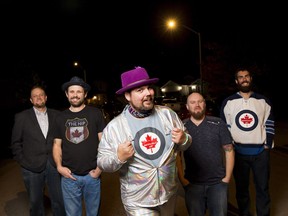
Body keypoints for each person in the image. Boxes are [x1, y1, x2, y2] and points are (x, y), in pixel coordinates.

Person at [97, 66, 192, 216]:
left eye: (149, 88)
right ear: (128, 96)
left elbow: (187, 142)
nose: (148, 93)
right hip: (138, 201)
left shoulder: (168, 115)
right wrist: (118, 157)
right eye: (140, 90)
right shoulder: (115, 127)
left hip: (168, 193)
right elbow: (102, 162)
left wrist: (184, 139)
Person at [220, 68, 275, 216]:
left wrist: (267, 145)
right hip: (238, 153)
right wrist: (229, 148)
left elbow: (269, 123)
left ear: (251, 79)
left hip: (260, 153)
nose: (244, 79)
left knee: (262, 188)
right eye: (240, 77)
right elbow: (224, 127)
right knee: (242, 189)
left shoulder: (263, 101)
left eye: (247, 76)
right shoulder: (228, 102)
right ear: (236, 81)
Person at [52, 76, 106, 216]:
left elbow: (105, 143)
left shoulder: (95, 114)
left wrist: (100, 169)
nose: (75, 95)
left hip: (92, 175)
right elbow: (57, 145)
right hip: (69, 176)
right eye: (72, 91)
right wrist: (59, 167)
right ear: (67, 94)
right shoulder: (60, 117)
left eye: (79, 91)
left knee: (92, 213)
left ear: (85, 94)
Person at [176, 92, 234, 216]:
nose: (197, 105)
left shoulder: (218, 124)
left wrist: (227, 178)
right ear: (187, 106)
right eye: (192, 102)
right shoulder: (182, 127)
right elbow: (177, 156)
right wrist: (183, 180)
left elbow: (229, 151)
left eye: (200, 101)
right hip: (192, 184)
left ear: (205, 104)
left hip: (218, 184)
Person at [10, 85, 65, 216]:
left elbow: (63, 139)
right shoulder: (21, 117)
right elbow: (15, 143)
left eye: (41, 95)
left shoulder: (57, 115)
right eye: (35, 96)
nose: (38, 97)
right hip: (31, 167)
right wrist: (24, 162)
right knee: (35, 202)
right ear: (31, 100)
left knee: (59, 200)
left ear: (46, 97)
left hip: (54, 164)